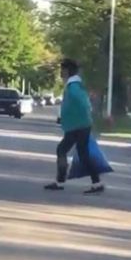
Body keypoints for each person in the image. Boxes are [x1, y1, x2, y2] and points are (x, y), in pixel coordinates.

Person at [44, 59, 105, 194]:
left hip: (78, 126)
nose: (60, 72)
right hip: (78, 125)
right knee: (80, 154)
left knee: (63, 150)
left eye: (62, 69)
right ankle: (96, 183)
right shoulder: (75, 85)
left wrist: (79, 118)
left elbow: (83, 104)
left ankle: (61, 182)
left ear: (67, 71)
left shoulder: (74, 87)